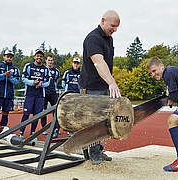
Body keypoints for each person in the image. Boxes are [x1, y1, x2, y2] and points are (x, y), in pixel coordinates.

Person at [78, 10, 121, 165]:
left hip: (102, 85)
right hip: (91, 86)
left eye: (117, 27)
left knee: (103, 120)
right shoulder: (93, 38)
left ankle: (97, 149)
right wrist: (112, 82)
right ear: (103, 20)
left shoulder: (108, 39)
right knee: (93, 120)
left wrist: (109, 82)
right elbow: (98, 62)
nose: (114, 30)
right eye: (113, 26)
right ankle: (92, 152)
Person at [19, 49, 50, 139]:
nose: (39, 57)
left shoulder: (45, 69)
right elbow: (23, 78)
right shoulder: (28, 66)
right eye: (37, 55)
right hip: (29, 94)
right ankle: (21, 132)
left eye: (41, 56)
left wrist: (41, 84)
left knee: (36, 115)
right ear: (34, 56)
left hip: (40, 95)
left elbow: (48, 82)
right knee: (26, 114)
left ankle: (32, 134)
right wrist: (33, 82)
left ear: (43, 58)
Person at [0, 50, 20, 128]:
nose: (9, 58)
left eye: (11, 57)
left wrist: (9, 77)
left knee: (5, 113)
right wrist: (4, 75)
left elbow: (17, 81)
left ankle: (2, 132)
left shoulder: (15, 69)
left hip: (9, 95)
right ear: (4, 56)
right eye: (7, 56)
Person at [40, 55, 60, 138]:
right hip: (44, 92)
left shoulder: (56, 71)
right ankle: (44, 128)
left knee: (56, 111)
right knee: (43, 111)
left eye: (51, 60)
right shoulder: (43, 69)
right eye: (49, 60)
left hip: (53, 93)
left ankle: (56, 128)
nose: (50, 62)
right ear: (46, 61)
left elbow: (56, 81)